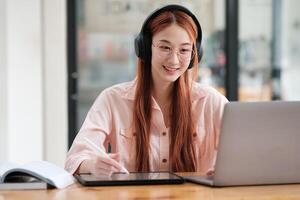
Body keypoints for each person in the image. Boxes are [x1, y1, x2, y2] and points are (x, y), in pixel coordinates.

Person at [65, 4, 228, 176]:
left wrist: (225, 170)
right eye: (165, 47)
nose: (174, 60)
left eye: (184, 50)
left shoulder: (212, 102)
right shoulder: (112, 99)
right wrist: (92, 165)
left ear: (195, 54)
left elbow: (244, 154)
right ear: (146, 48)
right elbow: (75, 158)